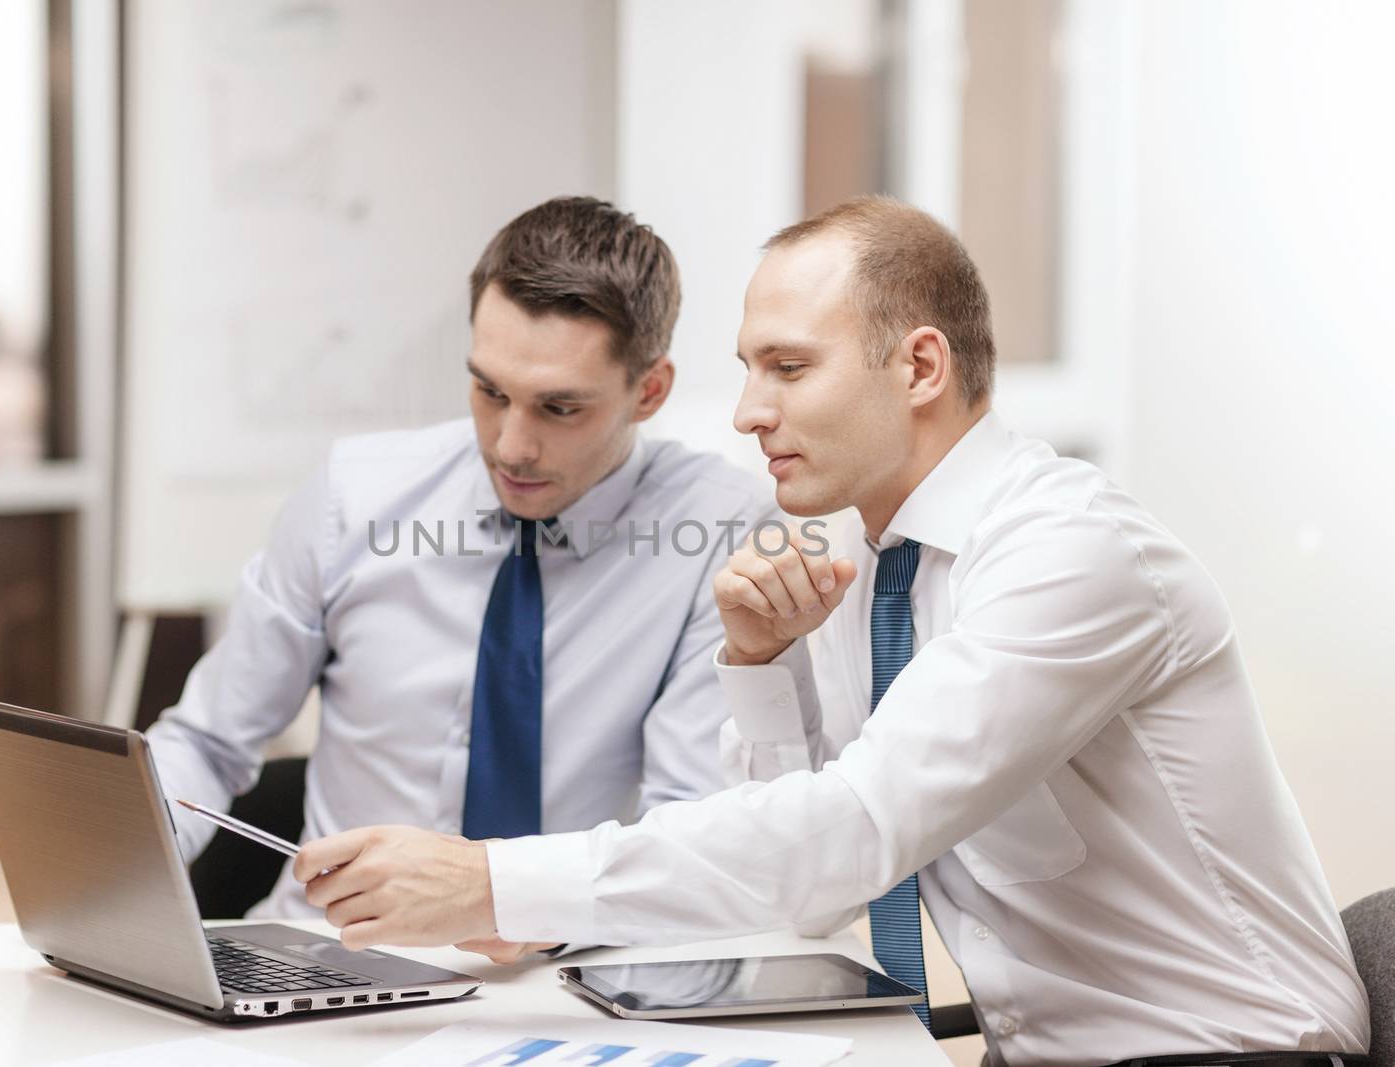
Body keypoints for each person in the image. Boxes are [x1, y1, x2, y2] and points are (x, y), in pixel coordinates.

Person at [287, 197, 1372, 1066]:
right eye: (749, 366)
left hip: (1229, 1051)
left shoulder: (1067, 556)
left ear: (919, 368)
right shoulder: (862, 558)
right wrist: (760, 669)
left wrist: (489, 880)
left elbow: (859, 826)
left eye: (787, 367)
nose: (748, 409)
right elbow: (812, 888)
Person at [147, 196, 774, 961]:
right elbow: (208, 742)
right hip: (321, 957)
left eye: (559, 407)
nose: (512, 446)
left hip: (564, 972)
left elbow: (690, 832)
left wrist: (518, 898)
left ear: (649, 390)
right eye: (489, 391)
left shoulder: (718, 534)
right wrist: (110, 874)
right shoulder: (356, 497)